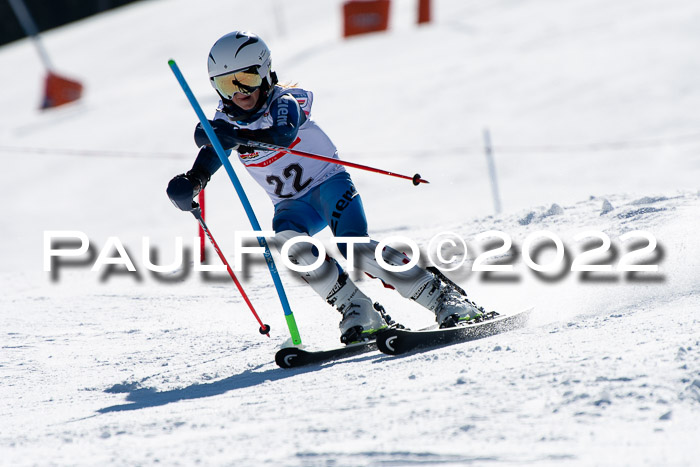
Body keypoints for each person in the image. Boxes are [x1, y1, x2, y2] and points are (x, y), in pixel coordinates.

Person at [167, 31, 484, 343]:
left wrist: (231, 136)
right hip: (292, 206)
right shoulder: (226, 119)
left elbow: (283, 136)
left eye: (246, 79)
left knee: (353, 247)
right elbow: (212, 154)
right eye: (227, 84)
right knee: (290, 244)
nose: (239, 92)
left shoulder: (284, 101)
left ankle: (444, 298)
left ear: (264, 73)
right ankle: (359, 309)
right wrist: (193, 181)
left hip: (328, 185)